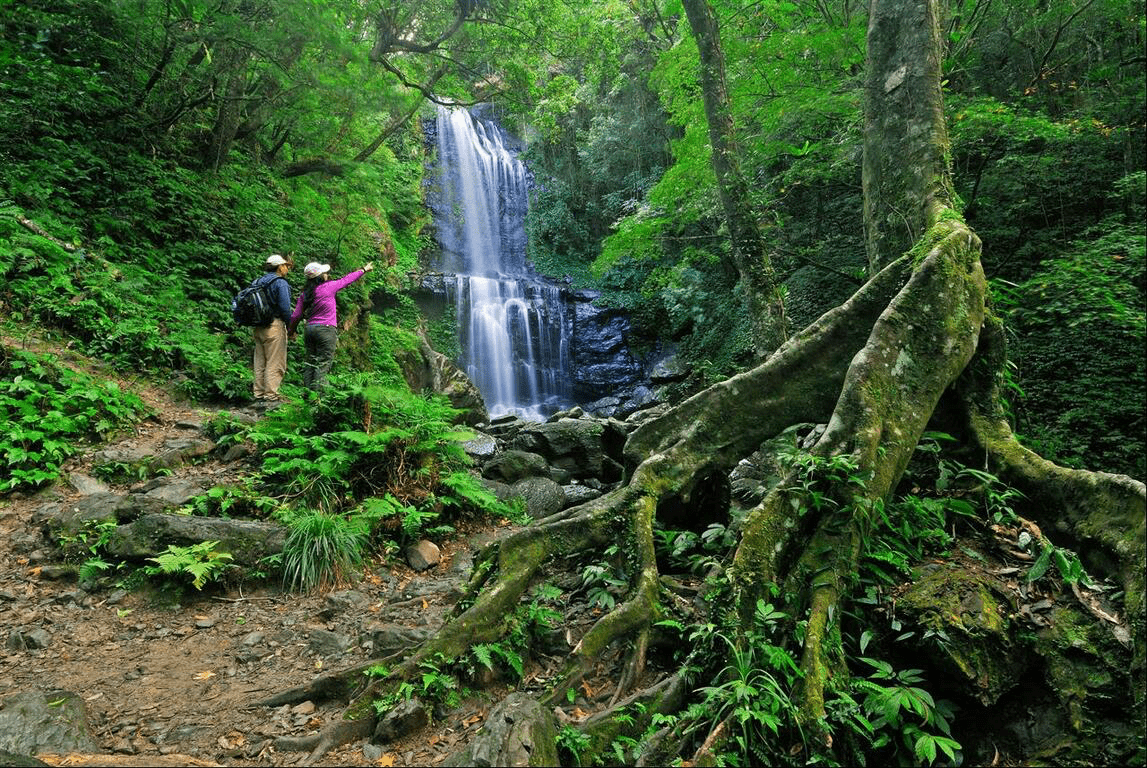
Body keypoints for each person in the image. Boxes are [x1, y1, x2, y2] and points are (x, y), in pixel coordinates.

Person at [288, 260, 374, 392]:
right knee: (323, 363)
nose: (327, 274)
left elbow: (295, 316)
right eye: (325, 273)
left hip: (310, 329)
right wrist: (363, 269)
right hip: (326, 330)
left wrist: (291, 331)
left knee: (310, 362)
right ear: (320, 276)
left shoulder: (305, 294)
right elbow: (346, 280)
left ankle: (307, 394)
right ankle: (317, 399)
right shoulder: (328, 287)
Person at [251, 253, 294, 403]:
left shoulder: (257, 281)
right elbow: (285, 308)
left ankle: (258, 394)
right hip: (274, 325)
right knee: (275, 361)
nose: (287, 269)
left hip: (258, 326)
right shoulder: (280, 283)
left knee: (260, 361)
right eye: (285, 266)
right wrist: (291, 328)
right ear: (280, 267)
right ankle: (270, 396)